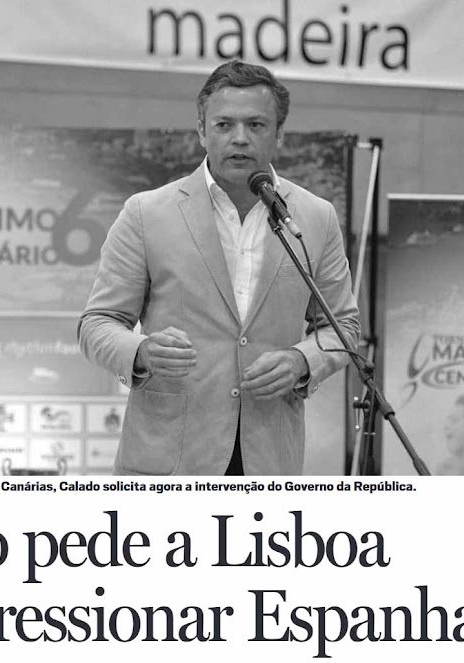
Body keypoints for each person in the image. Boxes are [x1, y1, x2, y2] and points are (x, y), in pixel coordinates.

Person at [78, 60, 360, 475]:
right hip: (170, 461)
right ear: (201, 131)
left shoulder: (315, 217)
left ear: (279, 133)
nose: (239, 138)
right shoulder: (146, 213)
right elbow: (97, 323)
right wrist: (141, 351)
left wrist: (302, 361)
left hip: (269, 458)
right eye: (224, 124)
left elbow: (343, 328)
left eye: (256, 125)